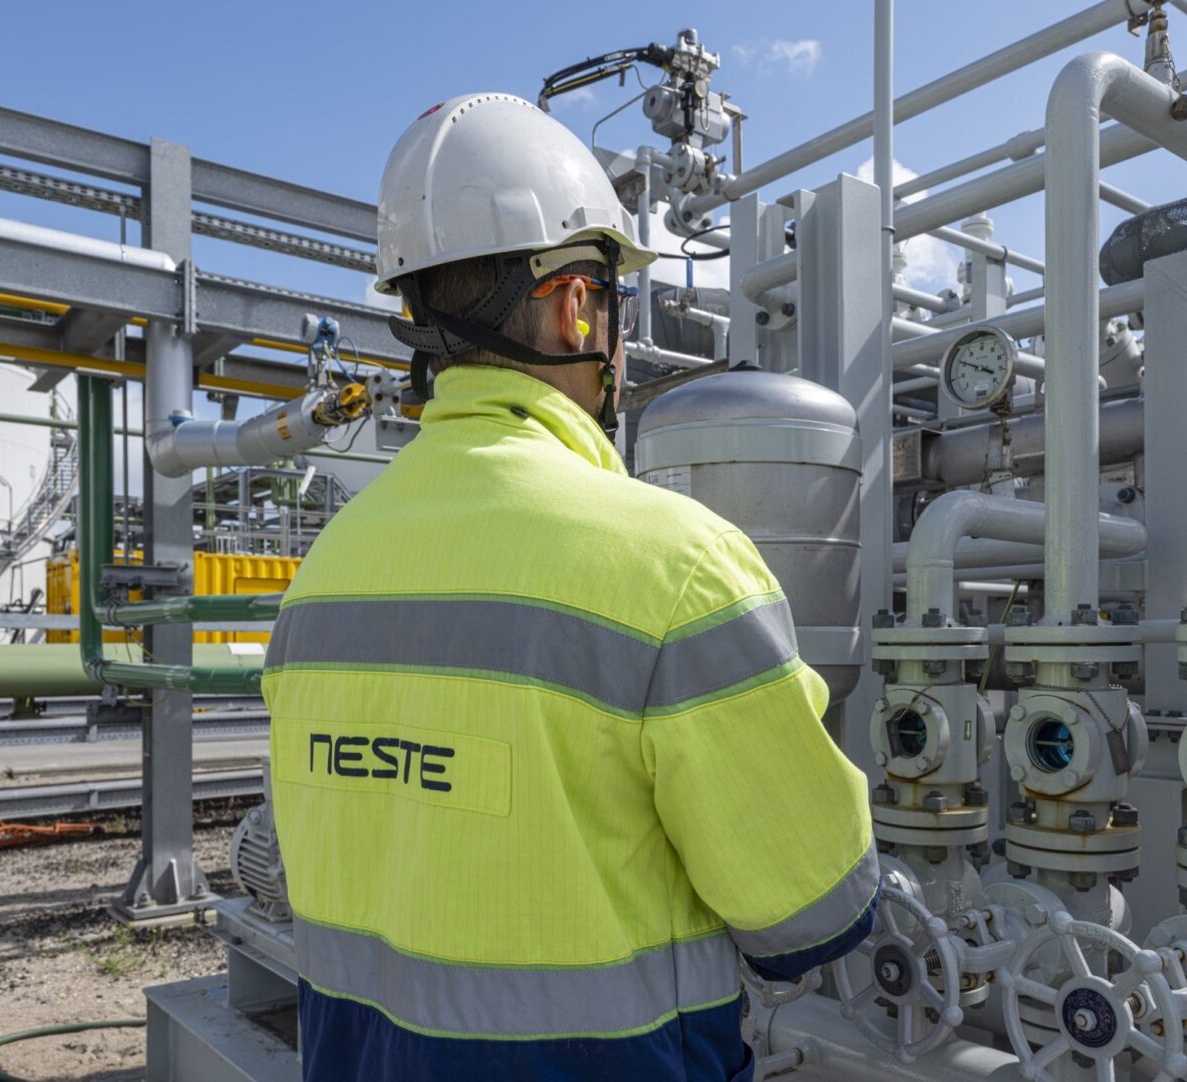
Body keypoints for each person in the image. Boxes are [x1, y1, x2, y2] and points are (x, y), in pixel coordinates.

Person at [263, 93, 875, 1082]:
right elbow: (813, 909)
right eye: (614, 304)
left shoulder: (323, 575)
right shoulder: (678, 566)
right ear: (575, 307)